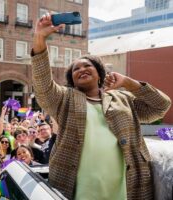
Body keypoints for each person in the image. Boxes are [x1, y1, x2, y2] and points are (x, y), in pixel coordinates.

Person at [31, 13, 171, 199]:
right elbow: (42, 85)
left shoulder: (123, 98)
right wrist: (40, 38)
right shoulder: (64, 99)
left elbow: (161, 106)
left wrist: (128, 83)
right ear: (72, 80)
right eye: (76, 69)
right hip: (78, 187)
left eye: (86, 65)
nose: (81, 69)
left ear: (99, 73)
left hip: (128, 186)